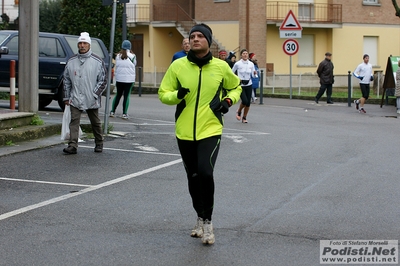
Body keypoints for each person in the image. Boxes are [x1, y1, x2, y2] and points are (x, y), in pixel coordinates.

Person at [158, 23, 242, 245]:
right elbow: (163, 93)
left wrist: (227, 101)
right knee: (193, 178)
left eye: (199, 36)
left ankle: (208, 222)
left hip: (210, 129)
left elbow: (236, 87)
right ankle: (199, 215)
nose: (195, 39)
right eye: (192, 36)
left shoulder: (221, 67)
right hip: (184, 132)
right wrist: (178, 95)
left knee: (205, 172)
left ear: (208, 41)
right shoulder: (178, 66)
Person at [62, 32, 107, 154]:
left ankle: (99, 142)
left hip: (91, 98)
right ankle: (72, 145)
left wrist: (94, 94)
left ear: (89, 45)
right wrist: (66, 97)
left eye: (85, 43)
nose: (82, 45)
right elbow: (66, 80)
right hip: (75, 97)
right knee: (74, 121)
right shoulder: (71, 61)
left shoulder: (97, 61)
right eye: (80, 43)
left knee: (95, 122)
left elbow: (103, 80)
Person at [110, 40, 136, 119]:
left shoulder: (117, 56)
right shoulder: (133, 56)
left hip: (119, 79)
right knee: (126, 96)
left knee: (118, 95)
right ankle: (124, 113)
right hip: (129, 79)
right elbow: (135, 64)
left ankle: (112, 111)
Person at [232, 49, 257, 123]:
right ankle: (239, 111)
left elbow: (253, 74)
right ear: (241, 55)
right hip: (241, 84)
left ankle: (244, 117)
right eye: (244, 53)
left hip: (249, 83)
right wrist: (237, 79)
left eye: (246, 53)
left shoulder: (251, 64)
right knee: (245, 101)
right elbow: (231, 72)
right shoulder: (237, 64)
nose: (245, 55)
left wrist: (255, 74)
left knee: (248, 103)